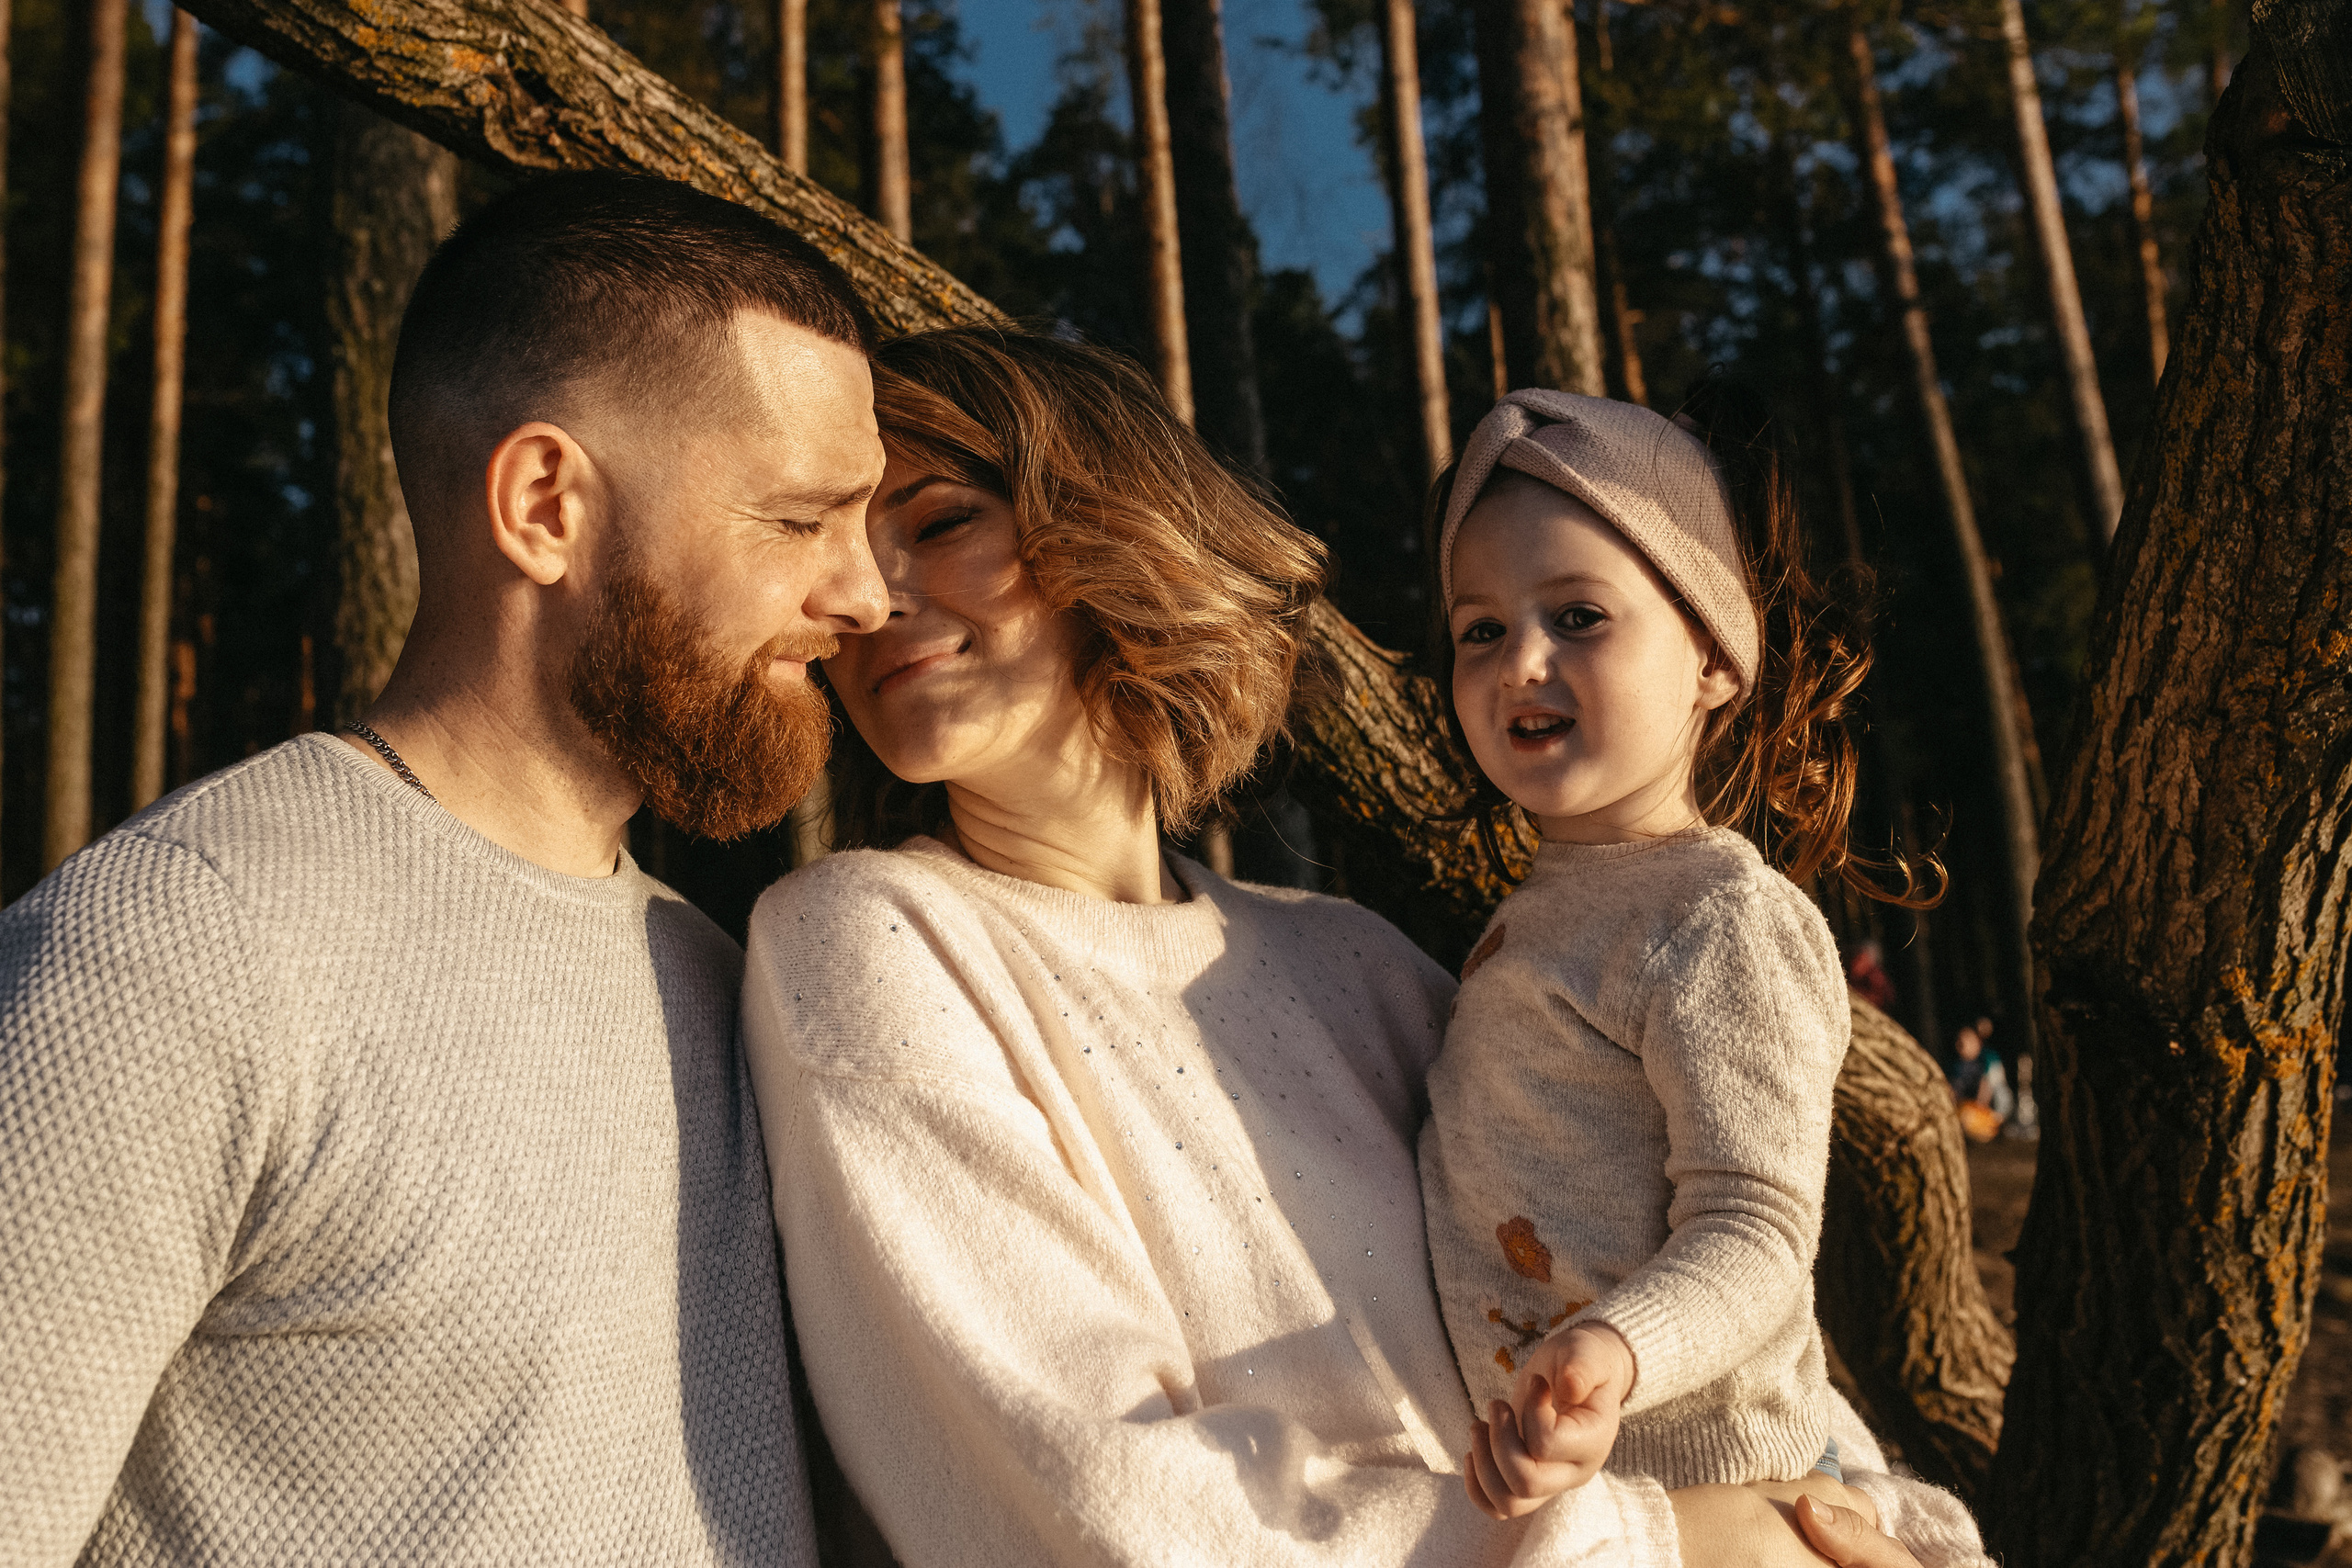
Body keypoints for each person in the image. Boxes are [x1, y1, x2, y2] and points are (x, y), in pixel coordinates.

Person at [741, 324, 1985, 1568]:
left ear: (1106, 528)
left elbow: (1691, 1277)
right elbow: (1104, 1504)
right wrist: (1678, 1543)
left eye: (941, 518)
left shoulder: (1364, 967)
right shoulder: (870, 944)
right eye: (835, 546)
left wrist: (1878, 1524)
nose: (866, 594)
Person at [0, 173, 888, 1564]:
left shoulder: (720, 979)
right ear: (546, 503)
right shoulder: (174, 945)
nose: (866, 595)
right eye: (796, 519)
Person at [1414, 385, 1939, 1519]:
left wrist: (1616, 1346)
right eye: (1480, 630)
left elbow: (1756, 1229)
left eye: (1579, 616)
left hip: (1737, 1493)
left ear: (1710, 655)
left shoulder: (1719, 919)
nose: (1520, 662)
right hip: (1601, 1496)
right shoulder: (1543, 912)